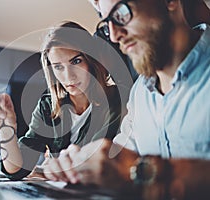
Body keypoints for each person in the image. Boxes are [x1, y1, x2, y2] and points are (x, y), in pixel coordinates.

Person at [44, 0, 210, 199]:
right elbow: (121, 158)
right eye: (107, 24)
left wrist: (143, 171)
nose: (114, 35)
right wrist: (83, 166)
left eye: (121, 13)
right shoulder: (140, 92)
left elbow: (131, 168)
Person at [0, 21, 121, 180]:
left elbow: (92, 162)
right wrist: (6, 127)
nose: (69, 76)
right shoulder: (48, 106)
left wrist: (46, 170)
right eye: (58, 67)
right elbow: (16, 169)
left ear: (91, 60)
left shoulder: (114, 100)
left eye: (76, 61)